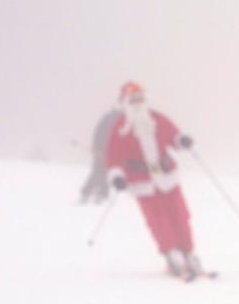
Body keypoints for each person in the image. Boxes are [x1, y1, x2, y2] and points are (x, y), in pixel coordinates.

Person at [105, 81, 206, 280]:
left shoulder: (157, 119)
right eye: (133, 99)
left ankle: (189, 252)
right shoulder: (120, 128)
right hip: (142, 183)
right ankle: (171, 254)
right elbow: (113, 157)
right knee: (158, 221)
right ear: (125, 102)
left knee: (181, 215)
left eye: (140, 98)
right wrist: (117, 177)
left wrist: (182, 140)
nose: (137, 102)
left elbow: (174, 135)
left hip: (167, 177)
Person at [78, 105, 121, 204]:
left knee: (98, 171)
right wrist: (98, 148)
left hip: (104, 150)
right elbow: (100, 134)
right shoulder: (114, 120)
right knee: (101, 171)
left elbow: (97, 133)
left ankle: (88, 193)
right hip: (103, 150)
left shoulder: (107, 118)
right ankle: (98, 194)